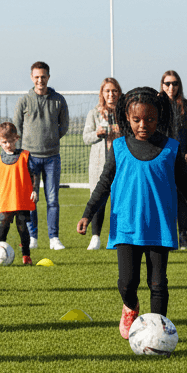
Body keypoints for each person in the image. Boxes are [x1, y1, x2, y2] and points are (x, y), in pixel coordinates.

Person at [77, 87, 187, 339]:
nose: (143, 125)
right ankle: (130, 306)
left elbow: (186, 182)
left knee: (158, 284)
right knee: (127, 283)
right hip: (125, 226)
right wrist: (88, 213)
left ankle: (159, 334)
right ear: (126, 118)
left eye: (150, 119)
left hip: (159, 227)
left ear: (160, 118)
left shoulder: (171, 148)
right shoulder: (120, 147)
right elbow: (104, 183)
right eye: (136, 120)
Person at [13, 61, 70, 250]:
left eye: (43, 76)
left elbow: (64, 126)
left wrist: (51, 138)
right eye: (37, 77)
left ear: (48, 77)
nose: (40, 80)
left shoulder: (58, 100)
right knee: (32, 199)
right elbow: (16, 128)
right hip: (29, 158)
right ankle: (33, 238)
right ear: (32, 78)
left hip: (52, 157)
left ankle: (54, 238)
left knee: (53, 199)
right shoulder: (24, 101)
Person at [80, 78, 123, 251]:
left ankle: (116, 237)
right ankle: (95, 237)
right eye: (107, 91)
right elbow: (86, 137)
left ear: (119, 93)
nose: (111, 94)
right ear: (102, 94)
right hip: (99, 164)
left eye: (114, 91)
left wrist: (119, 130)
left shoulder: (125, 112)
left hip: (120, 163)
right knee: (98, 199)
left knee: (119, 201)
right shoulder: (94, 113)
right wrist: (98, 133)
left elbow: (131, 133)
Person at [159, 70, 187, 249]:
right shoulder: (156, 104)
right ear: (162, 85)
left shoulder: (186, 105)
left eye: (174, 83)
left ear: (179, 85)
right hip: (160, 158)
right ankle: (166, 236)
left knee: (181, 198)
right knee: (162, 197)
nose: (171, 87)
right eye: (167, 83)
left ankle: (183, 236)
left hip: (180, 158)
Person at [0, 121, 36, 266]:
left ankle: (26, 255)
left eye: (10, 141)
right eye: (4, 142)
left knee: (22, 228)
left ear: (16, 138)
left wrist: (34, 190)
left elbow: (34, 175)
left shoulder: (25, 156)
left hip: (21, 200)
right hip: (5, 200)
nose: (8, 145)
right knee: (3, 226)